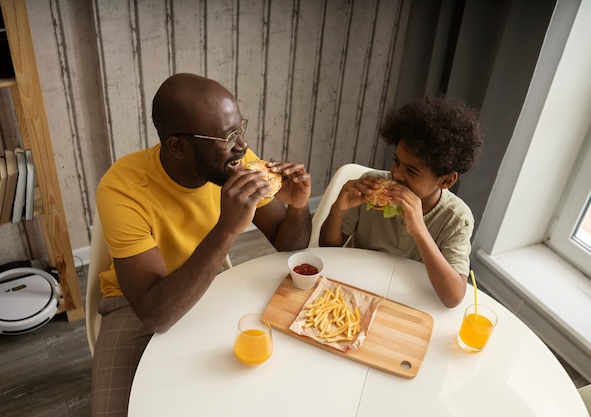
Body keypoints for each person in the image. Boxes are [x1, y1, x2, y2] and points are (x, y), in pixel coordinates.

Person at [92, 73, 312, 416]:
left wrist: (298, 206)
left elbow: (290, 247)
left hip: (214, 285)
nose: (242, 146)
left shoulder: (236, 161)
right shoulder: (123, 188)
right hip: (135, 302)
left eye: (240, 129)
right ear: (178, 146)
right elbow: (156, 313)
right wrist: (226, 229)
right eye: (227, 137)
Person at [319, 95, 482, 308]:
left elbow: (453, 297)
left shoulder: (457, 218)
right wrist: (338, 209)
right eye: (396, 161)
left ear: (446, 180)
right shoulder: (368, 186)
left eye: (412, 171)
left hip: (412, 301)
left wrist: (419, 230)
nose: (396, 174)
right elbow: (328, 248)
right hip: (354, 286)